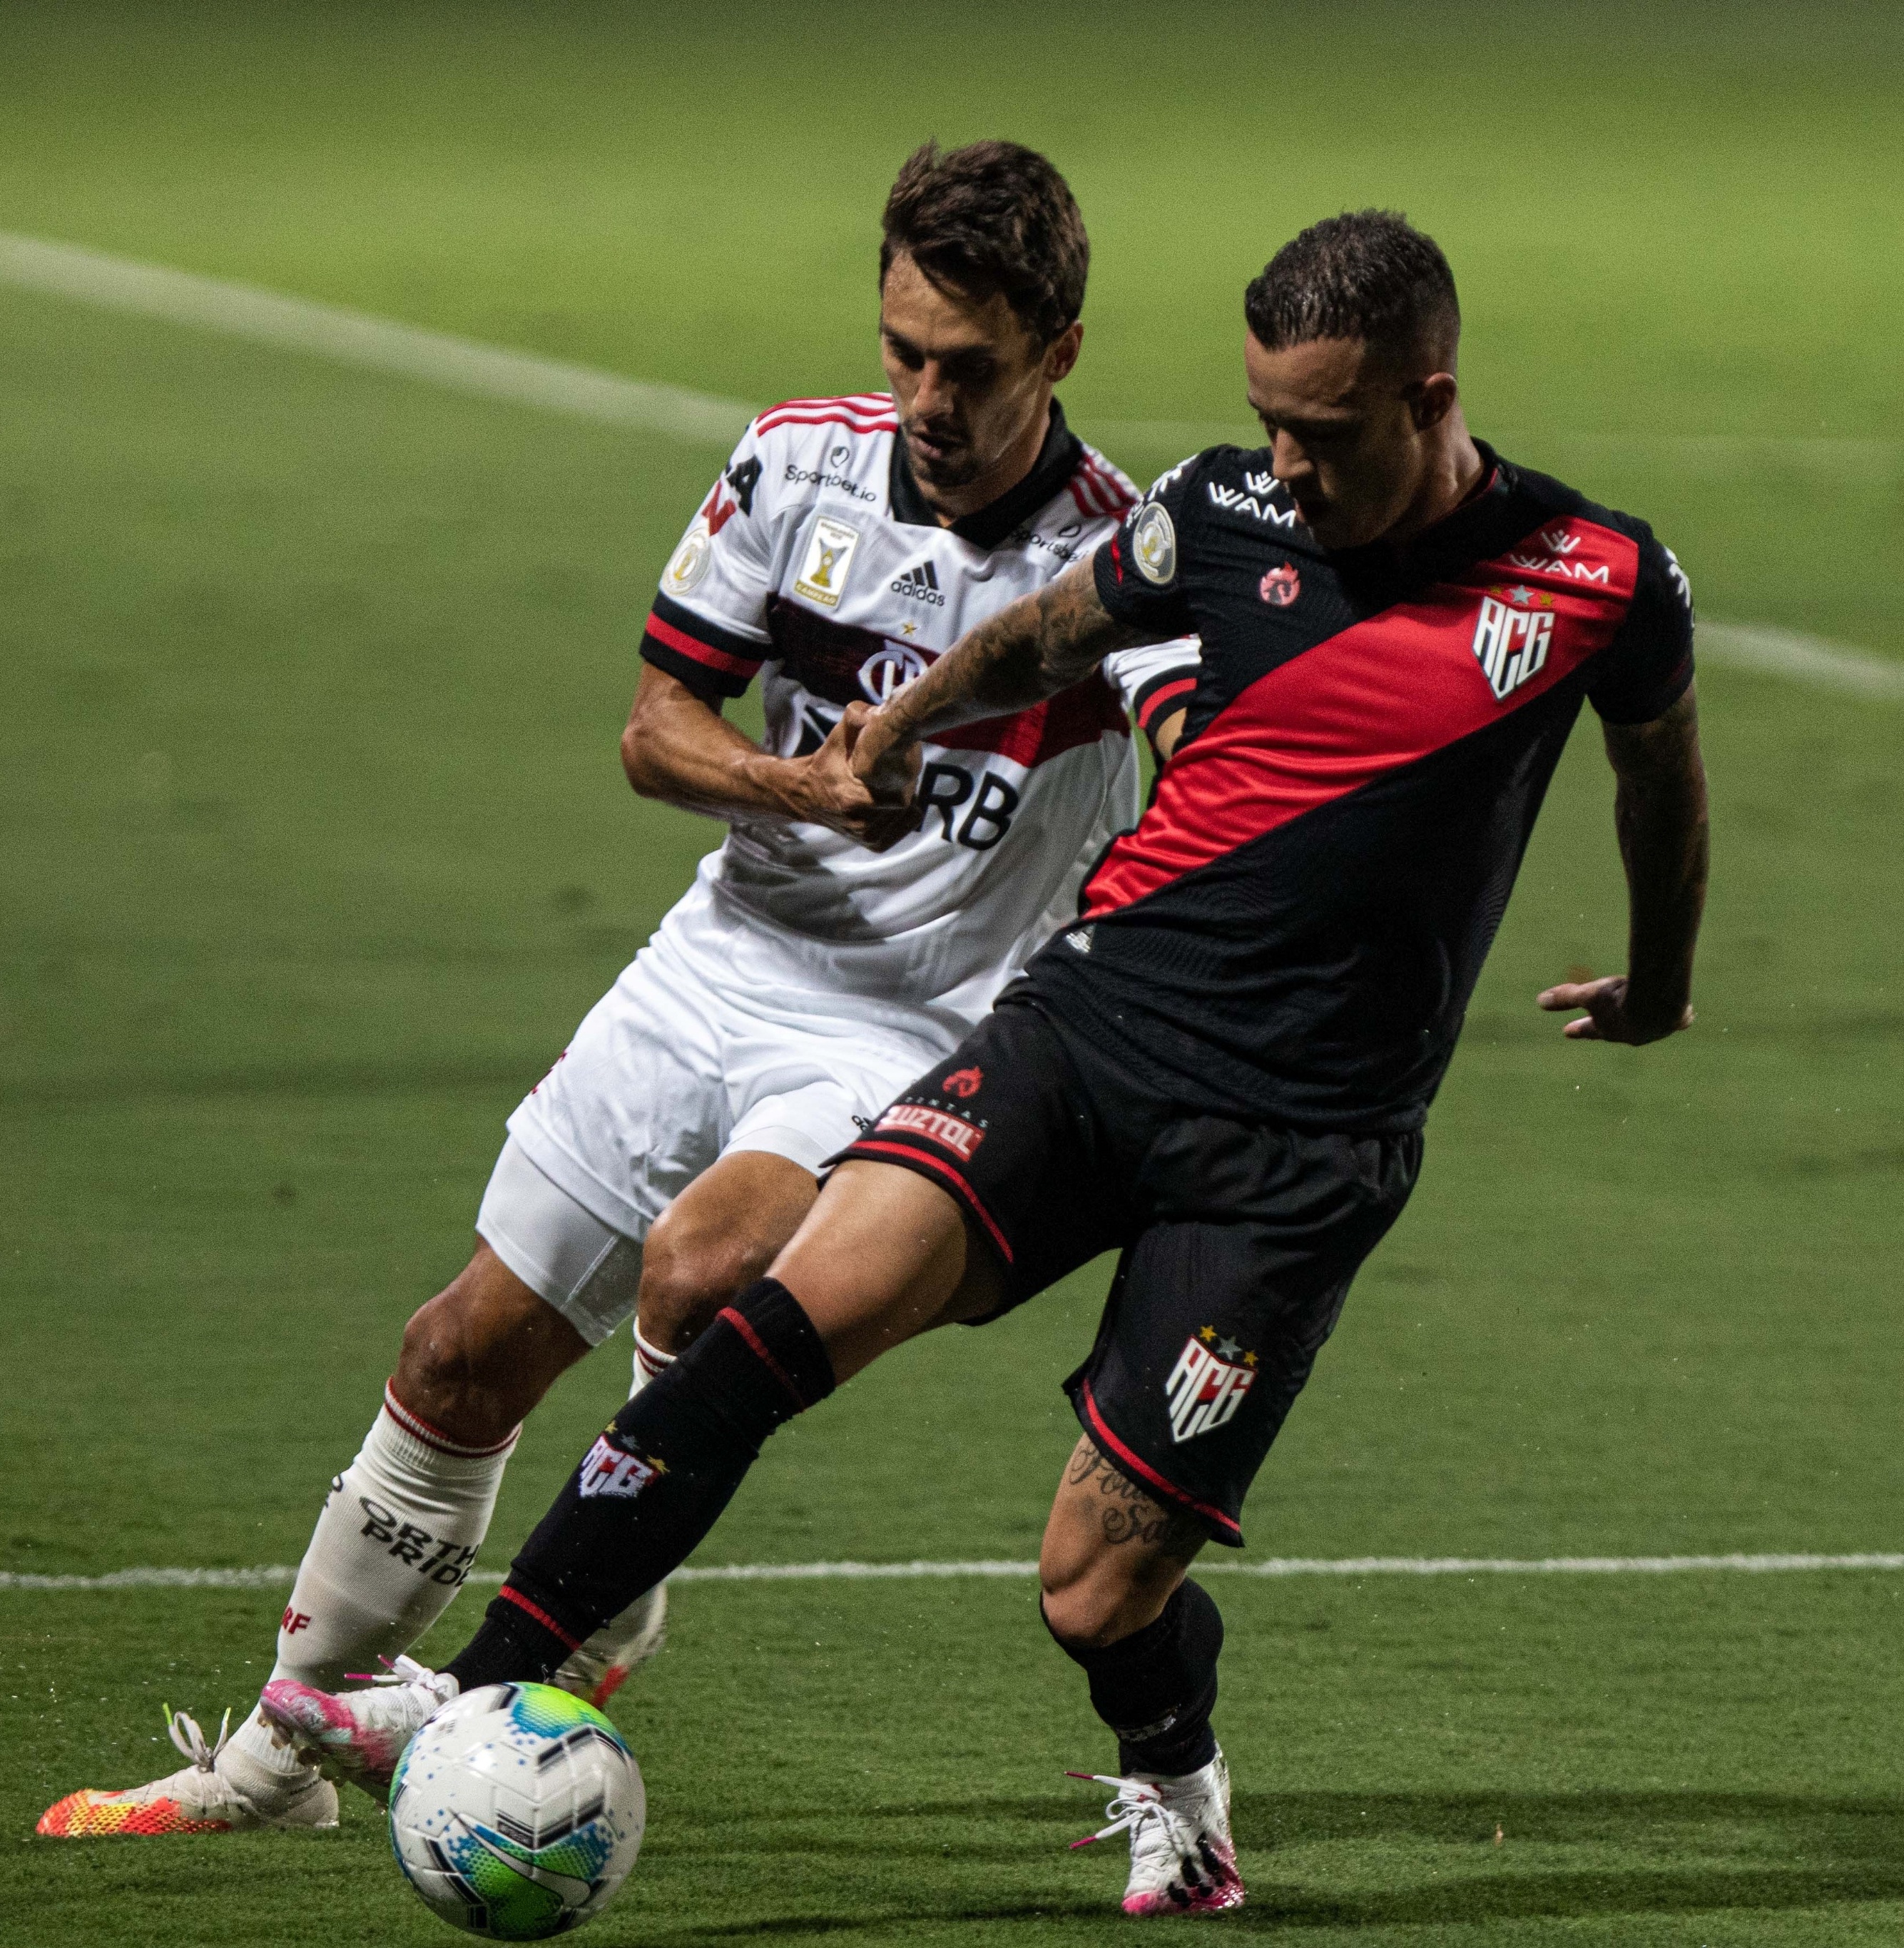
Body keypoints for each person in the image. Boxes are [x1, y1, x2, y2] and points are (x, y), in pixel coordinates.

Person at [257, 210, 1709, 1918]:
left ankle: (1171, 1767)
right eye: (1267, 421)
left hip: (1296, 1150)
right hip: (1083, 1040)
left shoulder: (1597, 578)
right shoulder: (1218, 513)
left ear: (1429, 396)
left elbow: (1655, 785)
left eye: (1321, 432)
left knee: (1093, 1592)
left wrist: (1663, 982)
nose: (1285, 464)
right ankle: (487, 1683)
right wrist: (895, 721)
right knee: (759, 1324)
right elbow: (1045, 633)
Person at [36, 139, 1198, 1842]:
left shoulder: (1120, 560)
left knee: (706, 1262)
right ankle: (269, 1773)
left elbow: (1195, 748)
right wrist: (808, 786)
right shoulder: (794, 462)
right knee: (454, 1354)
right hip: (720, 963)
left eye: (972, 365)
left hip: (917, 1025)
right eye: (905, 352)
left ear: (1059, 352)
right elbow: (659, 732)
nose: (928, 397)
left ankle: (608, 1582)